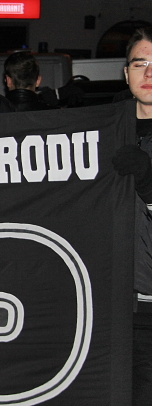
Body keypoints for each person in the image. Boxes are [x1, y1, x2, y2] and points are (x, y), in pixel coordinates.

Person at [111, 26, 152, 405]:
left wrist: (150, 188)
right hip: (111, 303)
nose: (149, 73)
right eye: (140, 64)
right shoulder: (104, 131)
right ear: (126, 73)